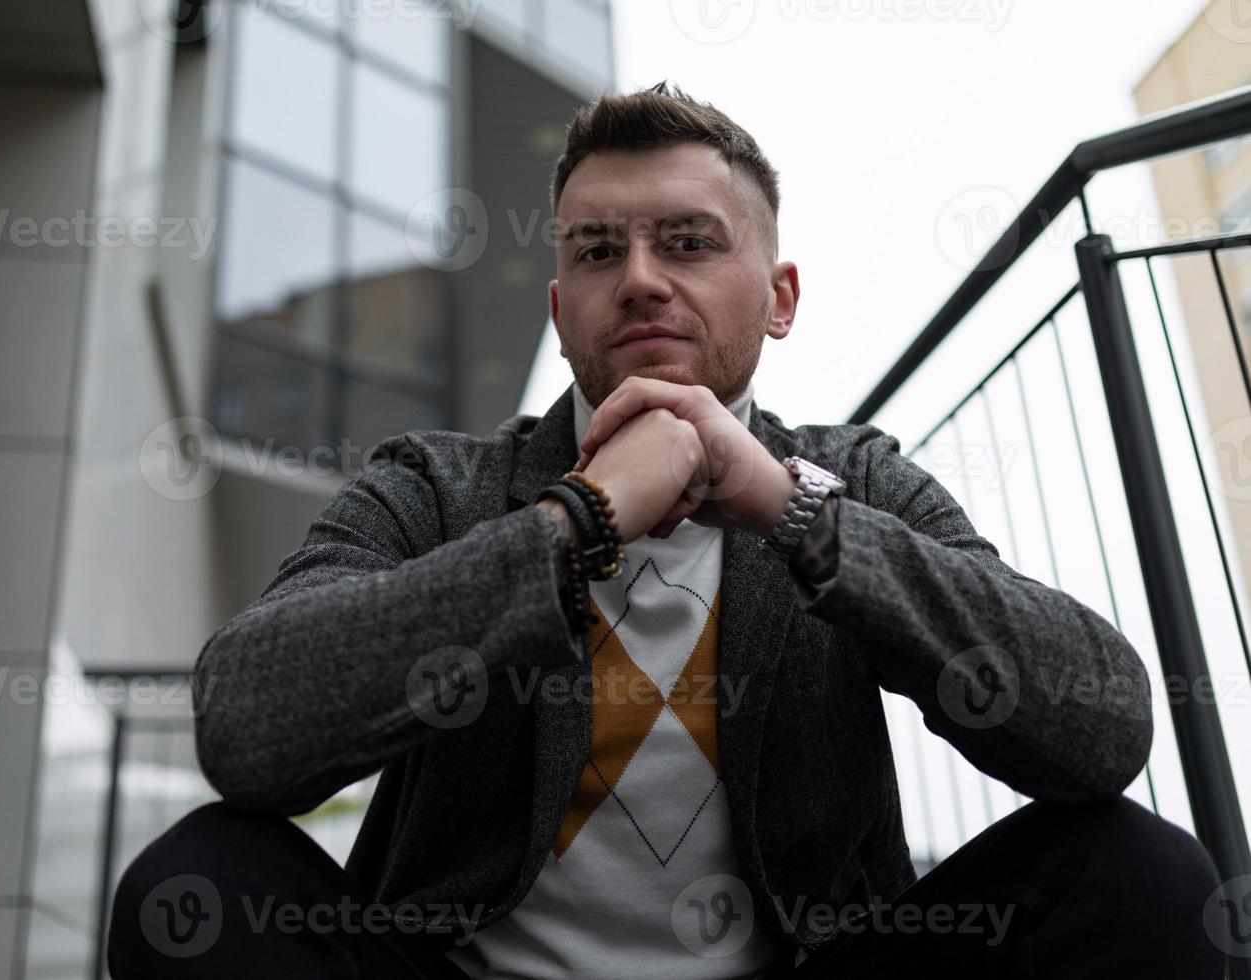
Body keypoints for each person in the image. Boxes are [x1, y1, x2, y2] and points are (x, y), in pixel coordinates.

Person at [108, 81, 1227, 979]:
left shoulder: (855, 478)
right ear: (560, 311)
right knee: (189, 884)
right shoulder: (441, 485)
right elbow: (248, 724)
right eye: (597, 251)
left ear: (779, 296)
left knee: (1140, 874)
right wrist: (576, 519)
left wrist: (796, 515)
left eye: (688, 243)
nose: (640, 279)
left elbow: (1105, 720)